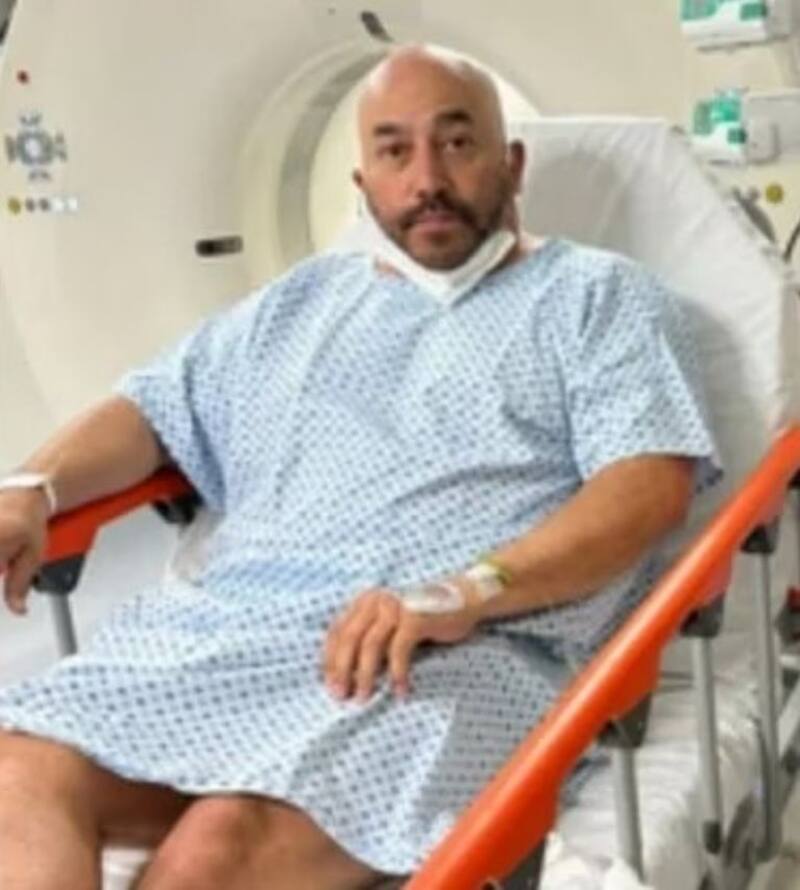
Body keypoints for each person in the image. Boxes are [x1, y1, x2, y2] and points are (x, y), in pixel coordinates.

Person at [0, 44, 718, 890]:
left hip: (449, 654)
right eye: (394, 150)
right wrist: (31, 488)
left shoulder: (598, 297)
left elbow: (646, 488)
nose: (427, 180)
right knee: (19, 773)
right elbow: (151, 410)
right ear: (362, 183)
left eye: (457, 143)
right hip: (231, 630)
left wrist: (468, 590)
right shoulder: (294, 306)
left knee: (216, 848)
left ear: (513, 163)